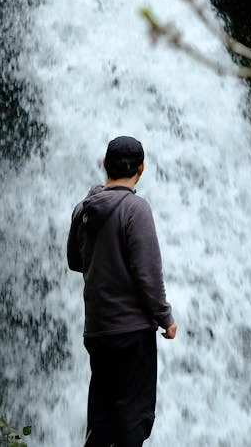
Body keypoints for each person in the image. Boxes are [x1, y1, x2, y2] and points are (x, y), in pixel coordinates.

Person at [67, 135, 177, 447]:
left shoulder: (83, 209)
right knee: (133, 417)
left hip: (98, 331)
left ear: (105, 165)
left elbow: (75, 261)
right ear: (142, 167)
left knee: (101, 416)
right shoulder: (136, 209)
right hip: (132, 332)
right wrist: (166, 318)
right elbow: (148, 274)